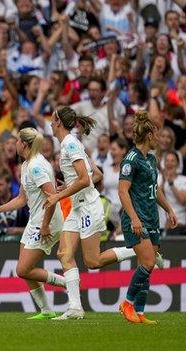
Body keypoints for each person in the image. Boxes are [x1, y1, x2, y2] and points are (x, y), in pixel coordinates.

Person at [44, 106, 163, 320]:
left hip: (88, 206)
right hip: (78, 206)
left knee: (93, 262)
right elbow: (97, 174)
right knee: (64, 254)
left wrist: (58, 196)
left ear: (58, 122)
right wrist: (66, 187)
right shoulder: (72, 144)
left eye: (52, 121)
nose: (50, 125)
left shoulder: (70, 145)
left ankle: (138, 251)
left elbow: (85, 179)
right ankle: (75, 308)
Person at [0, 128, 68, 320]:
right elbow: (22, 199)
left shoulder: (35, 167)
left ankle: (69, 283)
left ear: (24, 144)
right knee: (25, 270)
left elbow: (52, 197)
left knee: (23, 269)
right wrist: (0, 209)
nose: (14, 144)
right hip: (36, 219)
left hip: (46, 221)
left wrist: (46, 225)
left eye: (17, 141)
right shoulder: (27, 164)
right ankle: (46, 311)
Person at [118, 110, 178, 324]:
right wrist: (134, 218)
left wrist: (169, 209)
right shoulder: (131, 159)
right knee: (149, 262)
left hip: (152, 218)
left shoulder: (151, 159)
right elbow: (123, 191)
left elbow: (155, 189)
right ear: (149, 136)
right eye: (157, 135)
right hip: (137, 218)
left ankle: (140, 313)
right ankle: (127, 303)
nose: (159, 139)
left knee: (147, 266)